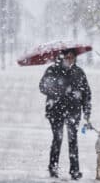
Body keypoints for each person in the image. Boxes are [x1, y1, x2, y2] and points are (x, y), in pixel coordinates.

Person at [39, 49, 92, 180]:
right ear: (61, 57)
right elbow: (42, 86)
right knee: (58, 138)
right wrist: (60, 90)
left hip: (73, 110)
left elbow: (86, 92)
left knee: (73, 139)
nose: (70, 60)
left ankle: (74, 170)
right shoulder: (52, 70)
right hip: (55, 109)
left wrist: (86, 111)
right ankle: (53, 167)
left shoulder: (79, 72)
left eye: (72, 57)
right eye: (67, 57)